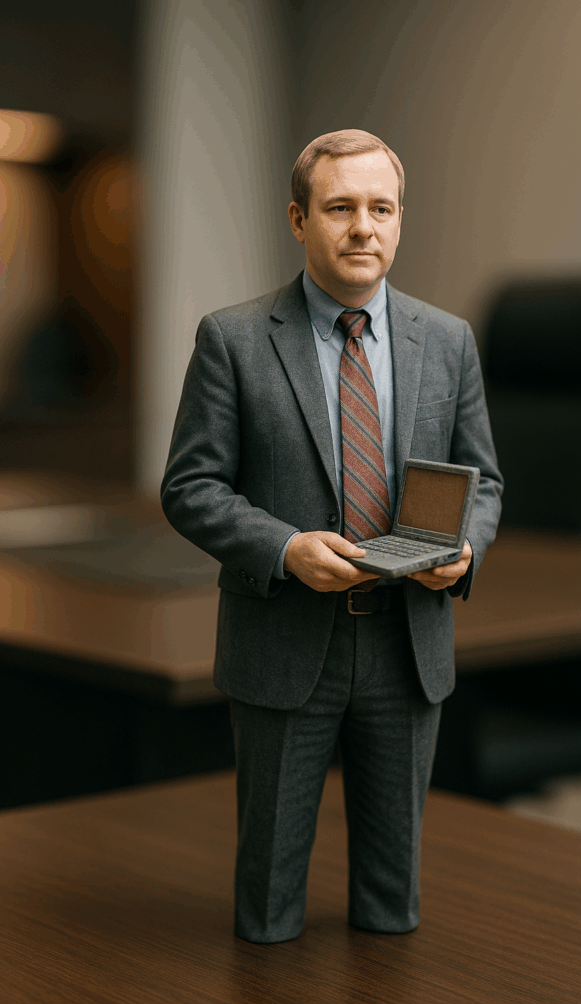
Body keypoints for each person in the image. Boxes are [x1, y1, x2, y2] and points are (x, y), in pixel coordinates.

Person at [161, 129, 503, 944]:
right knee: (269, 910)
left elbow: (481, 481)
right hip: (284, 645)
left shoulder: (446, 339)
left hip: (406, 645)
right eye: (340, 207)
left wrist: (462, 552)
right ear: (297, 218)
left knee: (393, 908)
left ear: (398, 220)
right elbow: (189, 487)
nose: (363, 228)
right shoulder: (233, 339)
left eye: (380, 208)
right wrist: (285, 549)